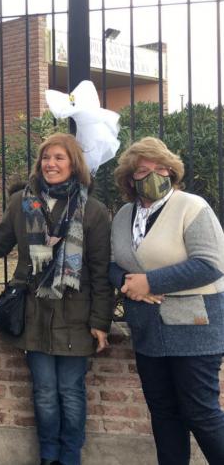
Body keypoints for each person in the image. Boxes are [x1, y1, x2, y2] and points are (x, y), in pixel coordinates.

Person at [0, 133, 113, 465]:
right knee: (44, 394)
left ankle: (69, 457)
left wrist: (101, 322)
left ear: (74, 164)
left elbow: (101, 272)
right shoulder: (22, 204)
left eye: (59, 157)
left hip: (76, 318)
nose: (51, 164)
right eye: (46, 157)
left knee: (70, 395)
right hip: (35, 315)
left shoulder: (94, 212)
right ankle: (49, 457)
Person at [110, 137, 224, 465]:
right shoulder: (123, 216)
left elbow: (210, 263)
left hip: (195, 329)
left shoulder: (192, 206)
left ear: (171, 171)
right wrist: (127, 282)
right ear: (130, 179)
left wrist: (151, 281)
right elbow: (111, 263)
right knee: (163, 414)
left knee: (201, 413)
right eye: (143, 170)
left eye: (161, 168)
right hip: (148, 332)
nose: (154, 175)